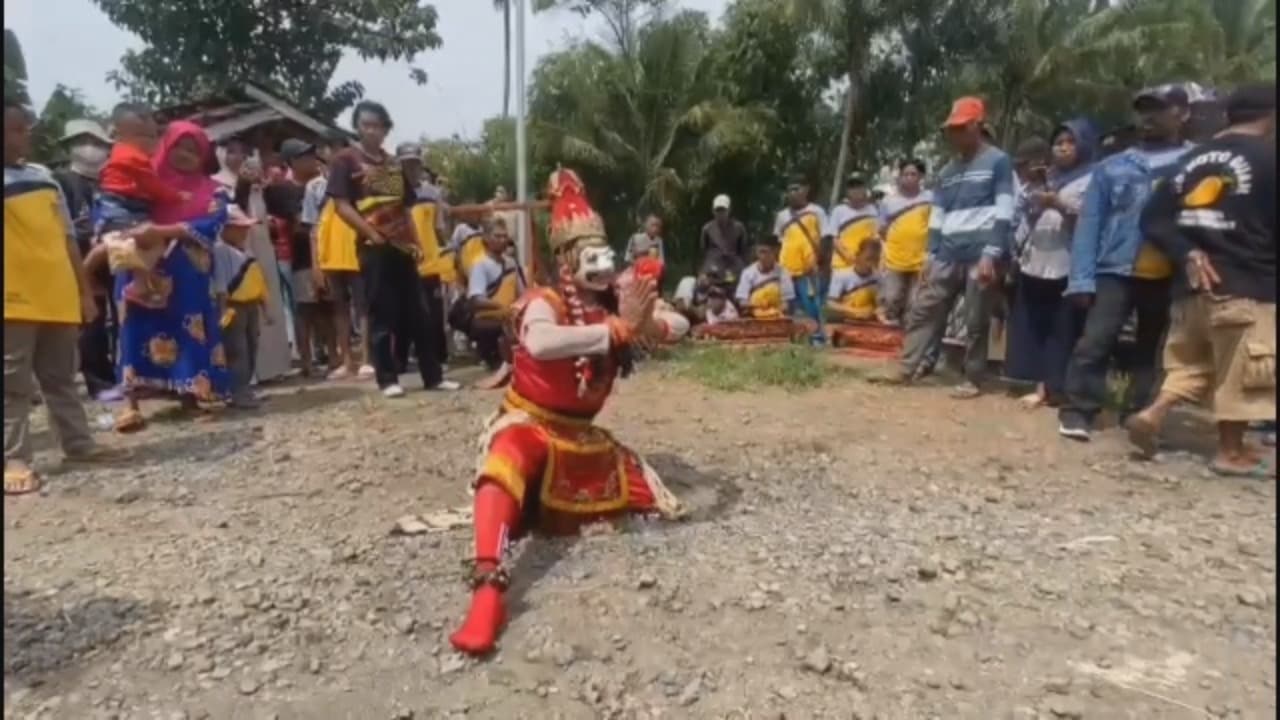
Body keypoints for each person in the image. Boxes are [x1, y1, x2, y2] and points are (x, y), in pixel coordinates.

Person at [449, 167, 684, 656]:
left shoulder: (615, 305)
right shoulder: (546, 300)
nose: (601, 266)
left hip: (582, 436)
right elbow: (539, 340)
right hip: (530, 423)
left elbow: (677, 323)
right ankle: (489, 583)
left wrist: (644, 323)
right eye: (590, 258)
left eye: (605, 256)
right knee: (506, 457)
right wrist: (618, 331)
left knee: (649, 498)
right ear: (567, 259)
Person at [1125, 83, 1275, 475]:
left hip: (1189, 287)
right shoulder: (1269, 159)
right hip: (1245, 282)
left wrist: (1187, 252)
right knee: (1243, 371)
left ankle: (1154, 413)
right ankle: (1231, 452)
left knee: (1193, 365)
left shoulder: (1190, 160)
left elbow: (1152, 218)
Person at [4, 100, 129, 495]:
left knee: (61, 378)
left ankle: (77, 445)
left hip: (55, 293)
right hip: (12, 297)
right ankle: (14, 456)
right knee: (11, 382)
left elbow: (67, 239)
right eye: (16, 129)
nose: (26, 135)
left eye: (25, 128)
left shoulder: (44, 178)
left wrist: (84, 290)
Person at [1057, 84, 1194, 441]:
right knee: (1096, 340)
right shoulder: (1113, 167)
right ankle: (1079, 411)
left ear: (1183, 114)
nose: (1148, 118)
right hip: (1115, 269)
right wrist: (1081, 279)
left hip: (1168, 272)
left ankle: (1137, 413)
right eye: (1143, 110)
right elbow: (1090, 224)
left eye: (1159, 110)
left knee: (1150, 347)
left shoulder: (1197, 163)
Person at [327, 100, 457, 397]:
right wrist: (370, 233)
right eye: (365, 125)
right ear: (357, 127)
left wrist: (415, 241)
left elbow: (406, 207)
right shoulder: (345, 160)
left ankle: (433, 376)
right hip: (373, 245)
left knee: (419, 313)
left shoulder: (393, 164)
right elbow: (341, 206)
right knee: (381, 313)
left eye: (377, 125)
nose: (372, 131)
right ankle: (387, 379)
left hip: (403, 244)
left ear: (386, 129)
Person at [111, 121, 232, 433]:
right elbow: (116, 208)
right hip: (140, 266)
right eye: (181, 147)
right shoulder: (141, 180)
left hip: (186, 269)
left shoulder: (213, 190)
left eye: (195, 151)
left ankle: (192, 395)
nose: (187, 155)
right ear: (167, 145)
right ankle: (131, 403)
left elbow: (214, 224)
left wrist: (163, 231)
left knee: (188, 328)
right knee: (134, 327)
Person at [893, 97, 1014, 398]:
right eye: (951, 129)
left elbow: (1005, 210)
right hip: (948, 251)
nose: (954, 134)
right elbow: (937, 215)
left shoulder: (998, 161)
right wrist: (930, 255)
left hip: (980, 251)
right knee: (925, 308)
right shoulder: (947, 171)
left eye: (960, 128)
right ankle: (907, 367)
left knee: (975, 318)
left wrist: (991, 253)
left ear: (976, 126)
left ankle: (973, 378)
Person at [1006, 120, 1097, 409]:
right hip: (1036, 259)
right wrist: (1033, 195)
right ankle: (1040, 385)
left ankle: (1059, 388)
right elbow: (1021, 215)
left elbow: (1092, 219)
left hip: (1069, 262)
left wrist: (1058, 204)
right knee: (1037, 324)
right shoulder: (1046, 177)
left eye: (1070, 141)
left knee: (1064, 328)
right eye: (1058, 142)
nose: (1063, 147)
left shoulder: (1093, 179)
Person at [96, 103, 186, 309]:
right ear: (120, 135)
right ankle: (138, 286)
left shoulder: (120, 152)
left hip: (119, 204)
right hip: (122, 206)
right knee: (149, 241)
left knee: (138, 244)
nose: (153, 142)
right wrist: (176, 196)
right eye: (146, 137)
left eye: (154, 136)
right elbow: (153, 187)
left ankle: (144, 282)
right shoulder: (134, 158)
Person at [55, 119, 118, 400]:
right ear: (70, 148)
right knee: (91, 319)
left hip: (113, 255)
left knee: (116, 316)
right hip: (81, 257)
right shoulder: (62, 181)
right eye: (83, 142)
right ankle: (98, 381)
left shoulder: (109, 181)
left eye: (97, 144)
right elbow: (63, 225)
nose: (90, 150)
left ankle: (116, 372)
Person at [276, 138, 335, 378]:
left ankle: (334, 356)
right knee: (306, 309)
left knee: (329, 308)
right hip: (303, 257)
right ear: (292, 162)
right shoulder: (285, 190)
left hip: (328, 253)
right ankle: (307, 361)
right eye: (304, 157)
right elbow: (298, 225)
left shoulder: (322, 185)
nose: (311, 160)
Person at [213, 205, 273, 408]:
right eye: (239, 227)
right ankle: (237, 392)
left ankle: (245, 388)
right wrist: (221, 310)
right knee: (237, 350)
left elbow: (258, 280)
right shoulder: (221, 250)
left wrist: (265, 308)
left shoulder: (246, 251)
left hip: (251, 304)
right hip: (233, 306)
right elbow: (221, 284)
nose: (244, 231)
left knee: (251, 347)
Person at [403, 144, 453, 370]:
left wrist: (447, 253)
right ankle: (401, 361)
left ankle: (437, 359)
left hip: (430, 262)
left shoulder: (432, 194)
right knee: (402, 314)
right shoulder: (391, 193)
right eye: (406, 163)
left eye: (414, 163)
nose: (411, 168)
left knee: (433, 314)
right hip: (402, 263)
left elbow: (439, 228)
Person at [461, 217, 524, 371]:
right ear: (486, 239)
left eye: (504, 236)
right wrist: (502, 308)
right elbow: (476, 300)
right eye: (497, 236)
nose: (502, 240)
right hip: (489, 318)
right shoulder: (480, 264)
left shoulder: (511, 263)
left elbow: (522, 292)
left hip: (510, 313)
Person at [773, 174, 829, 343]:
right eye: (789, 190)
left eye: (796, 189)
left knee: (811, 306)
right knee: (789, 307)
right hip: (786, 270)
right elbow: (778, 241)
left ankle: (817, 339)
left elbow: (826, 238)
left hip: (808, 270)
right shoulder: (782, 216)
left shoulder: (816, 211)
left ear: (806, 190)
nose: (793, 193)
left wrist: (821, 262)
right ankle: (792, 339)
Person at [878, 159, 933, 326]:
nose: (909, 178)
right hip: (894, 258)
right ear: (900, 177)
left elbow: (936, 226)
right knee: (891, 298)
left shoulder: (930, 198)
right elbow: (881, 229)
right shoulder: (888, 201)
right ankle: (887, 341)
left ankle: (908, 342)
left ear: (921, 177)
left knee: (915, 303)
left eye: (913, 174)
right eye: (906, 174)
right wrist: (885, 251)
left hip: (921, 259)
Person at [827, 174, 881, 282]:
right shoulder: (839, 211)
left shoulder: (873, 211)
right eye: (852, 186)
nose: (856, 190)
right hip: (842, 267)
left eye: (859, 186)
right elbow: (834, 239)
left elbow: (876, 237)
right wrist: (848, 257)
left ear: (865, 188)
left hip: (866, 268)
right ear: (847, 191)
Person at [735, 238, 796, 320]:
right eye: (760, 252)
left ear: (775, 252)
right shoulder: (748, 273)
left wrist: (773, 311)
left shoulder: (783, 273)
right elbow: (742, 302)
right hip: (754, 317)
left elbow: (786, 304)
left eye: (766, 252)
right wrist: (761, 306)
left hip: (777, 317)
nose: (763, 256)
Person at [826, 239, 882, 323]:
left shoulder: (879, 278)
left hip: (870, 323)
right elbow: (830, 303)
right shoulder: (841, 275)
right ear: (858, 256)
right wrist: (855, 311)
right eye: (868, 259)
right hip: (847, 321)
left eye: (875, 260)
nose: (871, 264)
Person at [699, 194, 748, 276]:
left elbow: (743, 250)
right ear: (713, 211)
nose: (720, 213)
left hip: (733, 265)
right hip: (713, 264)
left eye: (723, 210)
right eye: (718, 210)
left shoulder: (739, 228)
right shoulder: (707, 229)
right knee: (701, 284)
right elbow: (704, 250)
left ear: (729, 210)